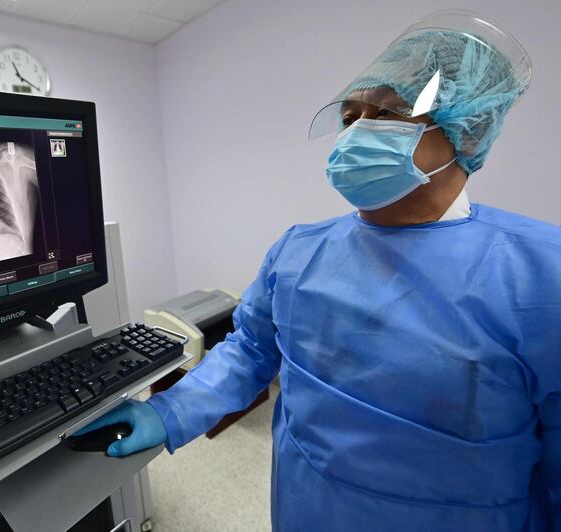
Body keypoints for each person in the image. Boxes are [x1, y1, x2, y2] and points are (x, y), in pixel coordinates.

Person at [77, 9, 560, 531]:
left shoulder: (540, 276)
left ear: (468, 130)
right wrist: (168, 411)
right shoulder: (299, 251)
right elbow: (251, 350)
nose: (357, 134)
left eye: (390, 114)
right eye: (350, 118)